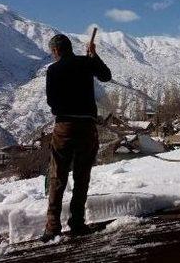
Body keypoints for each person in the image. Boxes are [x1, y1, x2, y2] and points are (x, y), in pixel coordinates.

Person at [42, 33, 112, 242]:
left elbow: (51, 102)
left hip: (64, 128)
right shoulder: (86, 63)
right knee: (82, 176)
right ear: (70, 47)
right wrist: (93, 56)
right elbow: (106, 76)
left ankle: (53, 226)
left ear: (55, 51)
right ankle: (77, 222)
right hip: (87, 128)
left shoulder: (53, 70)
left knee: (57, 177)